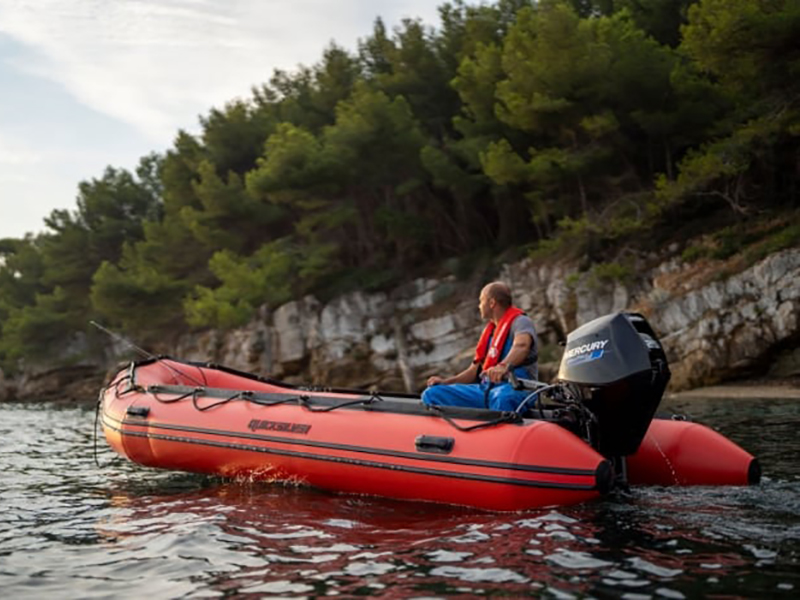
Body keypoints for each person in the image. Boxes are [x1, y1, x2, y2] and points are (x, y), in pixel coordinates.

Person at [422, 281, 538, 412]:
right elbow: (473, 371)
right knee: (433, 393)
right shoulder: (489, 332)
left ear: (492, 303)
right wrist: (445, 382)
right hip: (487, 389)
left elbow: (522, 346)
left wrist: (503, 366)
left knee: (502, 398)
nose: (479, 306)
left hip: (515, 388)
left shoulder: (521, 321)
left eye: (481, 301)